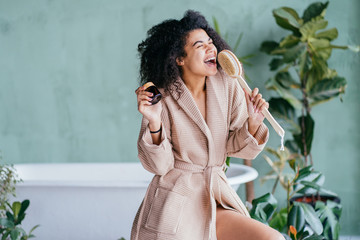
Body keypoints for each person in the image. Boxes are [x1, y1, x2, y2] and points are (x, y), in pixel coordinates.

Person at [132, 10, 285, 240]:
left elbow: (236, 147)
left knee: (271, 238)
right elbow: (160, 166)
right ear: (179, 58)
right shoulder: (161, 99)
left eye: (211, 42)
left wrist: (253, 122)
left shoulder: (228, 85)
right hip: (177, 200)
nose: (211, 48)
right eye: (199, 45)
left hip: (214, 196)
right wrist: (154, 120)